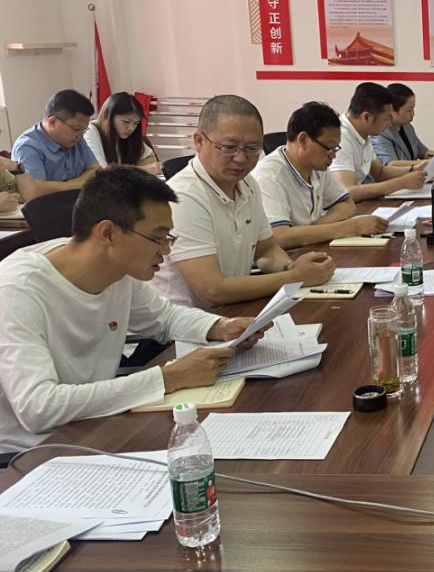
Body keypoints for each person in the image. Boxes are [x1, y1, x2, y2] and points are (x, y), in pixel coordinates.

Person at [0, 167, 263, 452]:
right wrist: (169, 378)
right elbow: (37, 408)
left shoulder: (116, 268)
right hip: (33, 452)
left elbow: (165, 318)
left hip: (94, 424)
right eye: (157, 238)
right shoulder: (17, 289)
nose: (166, 251)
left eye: (168, 238)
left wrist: (221, 327)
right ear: (108, 233)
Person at [151, 94, 335, 308]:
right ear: (199, 141)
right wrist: (295, 277)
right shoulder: (184, 197)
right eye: (229, 147)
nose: (241, 158)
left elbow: (266, 251)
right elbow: (212, 291)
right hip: (186, 323)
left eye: (252, 148)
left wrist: (290, 267)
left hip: (232, 311)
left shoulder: (247, 184)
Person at [253, 101, 388, 248]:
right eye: (329, 148)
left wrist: (316, 227)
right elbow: (279, 236)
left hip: (310, 247)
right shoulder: (269, 176)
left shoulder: (316, 167)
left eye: (336, 149)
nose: (333, 156)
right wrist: (352, 227)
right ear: (303, 140)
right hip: (288, 256)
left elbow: (346, 204)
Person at [331, 82, 428, 202]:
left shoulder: (362, 132)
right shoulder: (341, 138)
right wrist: (401, 183)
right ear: (366, 117)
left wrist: (413, 169)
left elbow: (379, 172)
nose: (389, 124)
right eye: (387, 118)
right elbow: (347, 192)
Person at [11, 89, 99, 200]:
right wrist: (77, 184)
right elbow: (32, 192)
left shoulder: (76, 138)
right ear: (52, 122)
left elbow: (96, 170)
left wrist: (61, 186)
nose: (81, 136)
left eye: (84, 130)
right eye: (77, 129)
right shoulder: (27, 147)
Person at [86, 92, 161, 175]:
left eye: (136, 123)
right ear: (108, 116)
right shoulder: (90, 130)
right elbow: (101, 172)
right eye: (126, 122)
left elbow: (151, 162)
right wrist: (142, 170)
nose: (131, 128)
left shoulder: (125, 134)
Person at [371, 83, 432, 166]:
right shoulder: (380, 132)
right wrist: (426, 163)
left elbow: (423, 152)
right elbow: (391, 164)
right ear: (392, 111)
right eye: (409, 110)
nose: (413, 114)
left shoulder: (407, 127)